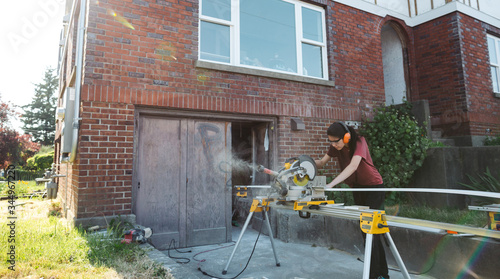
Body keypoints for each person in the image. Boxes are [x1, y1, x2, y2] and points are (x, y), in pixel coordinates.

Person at [315, 121, 389, 279]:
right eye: (331, 141)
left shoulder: (359, 141)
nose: (333, 145)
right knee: (365, 230)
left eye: (336, 141)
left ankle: (378, 274)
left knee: (373, 231)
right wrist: (303, 162)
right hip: (358, 187)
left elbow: (353, 166)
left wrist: (331, 184)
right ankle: (376, 273)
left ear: (346, 137)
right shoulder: (335, 147)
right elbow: (321, 163)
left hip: (374, 187)